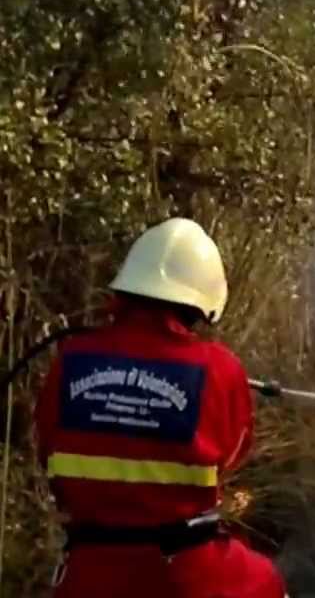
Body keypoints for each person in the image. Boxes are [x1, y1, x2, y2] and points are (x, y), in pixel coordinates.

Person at [34, 217, 287, 598]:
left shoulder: (71, 357)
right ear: (202, 303)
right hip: (186, 571)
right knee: (265, 582)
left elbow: (46, 448)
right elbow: (234, 455)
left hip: (90, 570)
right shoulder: (220, 368)